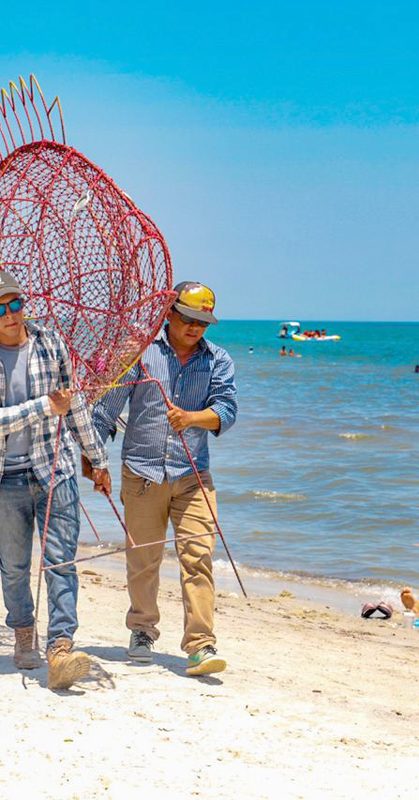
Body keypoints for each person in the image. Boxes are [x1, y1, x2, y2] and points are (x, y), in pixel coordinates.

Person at [0, 271, 111, 689]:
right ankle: (23, 635)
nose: (10, 314)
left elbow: (75, 403)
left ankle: (61, 648)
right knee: (14, 566)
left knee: (61, 561)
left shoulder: (51, 342)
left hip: (56, 468)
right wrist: (43, 406)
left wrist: (97, 460)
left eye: (15, 303)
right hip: (4, 476)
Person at [92, 281, 238, 676]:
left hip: (193, 476)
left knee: (198, 557)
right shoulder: (141, 353)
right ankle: (142, 630)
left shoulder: (218, 360)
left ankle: (201, 645)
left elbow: (226, 409)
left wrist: (193, 418)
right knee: (144, 559)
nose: (195, 328)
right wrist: (95, 461)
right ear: (169, 314)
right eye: (188, 318)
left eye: (203, 321)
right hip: (141, 474)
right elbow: (106, 411)